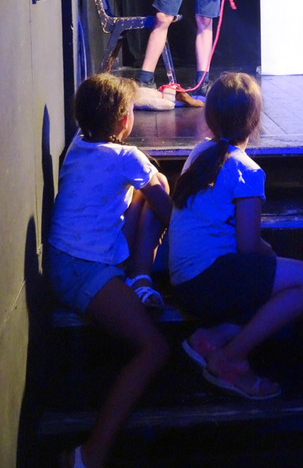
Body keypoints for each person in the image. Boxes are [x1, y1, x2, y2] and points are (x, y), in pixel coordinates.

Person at [169, 72, 303, 399]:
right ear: (255, 122)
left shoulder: (199, 153)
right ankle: (230, 359)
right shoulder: (246, 170)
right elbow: (248, 245)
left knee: (275, 277)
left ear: (209, 117)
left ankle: (211, 338)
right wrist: (271, 254)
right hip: (208, 282)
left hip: (184, 281)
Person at [48, 73, 173, 468]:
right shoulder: (125, 158)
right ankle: (89, 454)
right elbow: (166, 209)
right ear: (124, 120)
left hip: (63, 260)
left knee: (146, 184)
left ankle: (138, 278)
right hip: (84, 269)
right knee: (154, 349)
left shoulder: (78, 144)